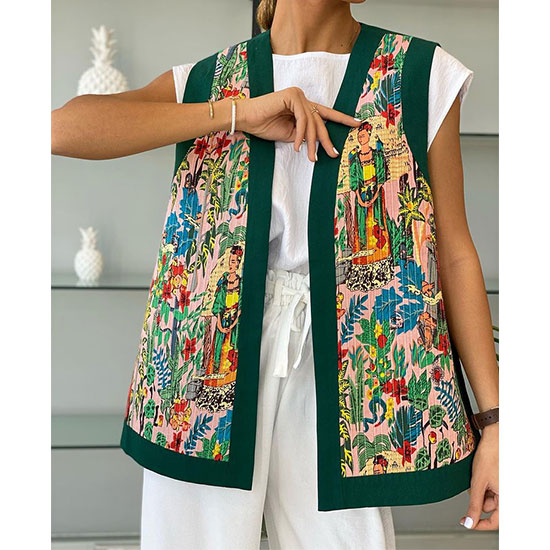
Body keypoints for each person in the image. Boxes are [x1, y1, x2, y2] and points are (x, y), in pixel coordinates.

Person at [51, 0, 499, 547]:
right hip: (206, 363)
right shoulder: (206, 79)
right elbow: (60, 129)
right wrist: (235, 114)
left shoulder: (422, 73)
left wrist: (497, 422)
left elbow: (454, 253)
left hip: (353, 366)